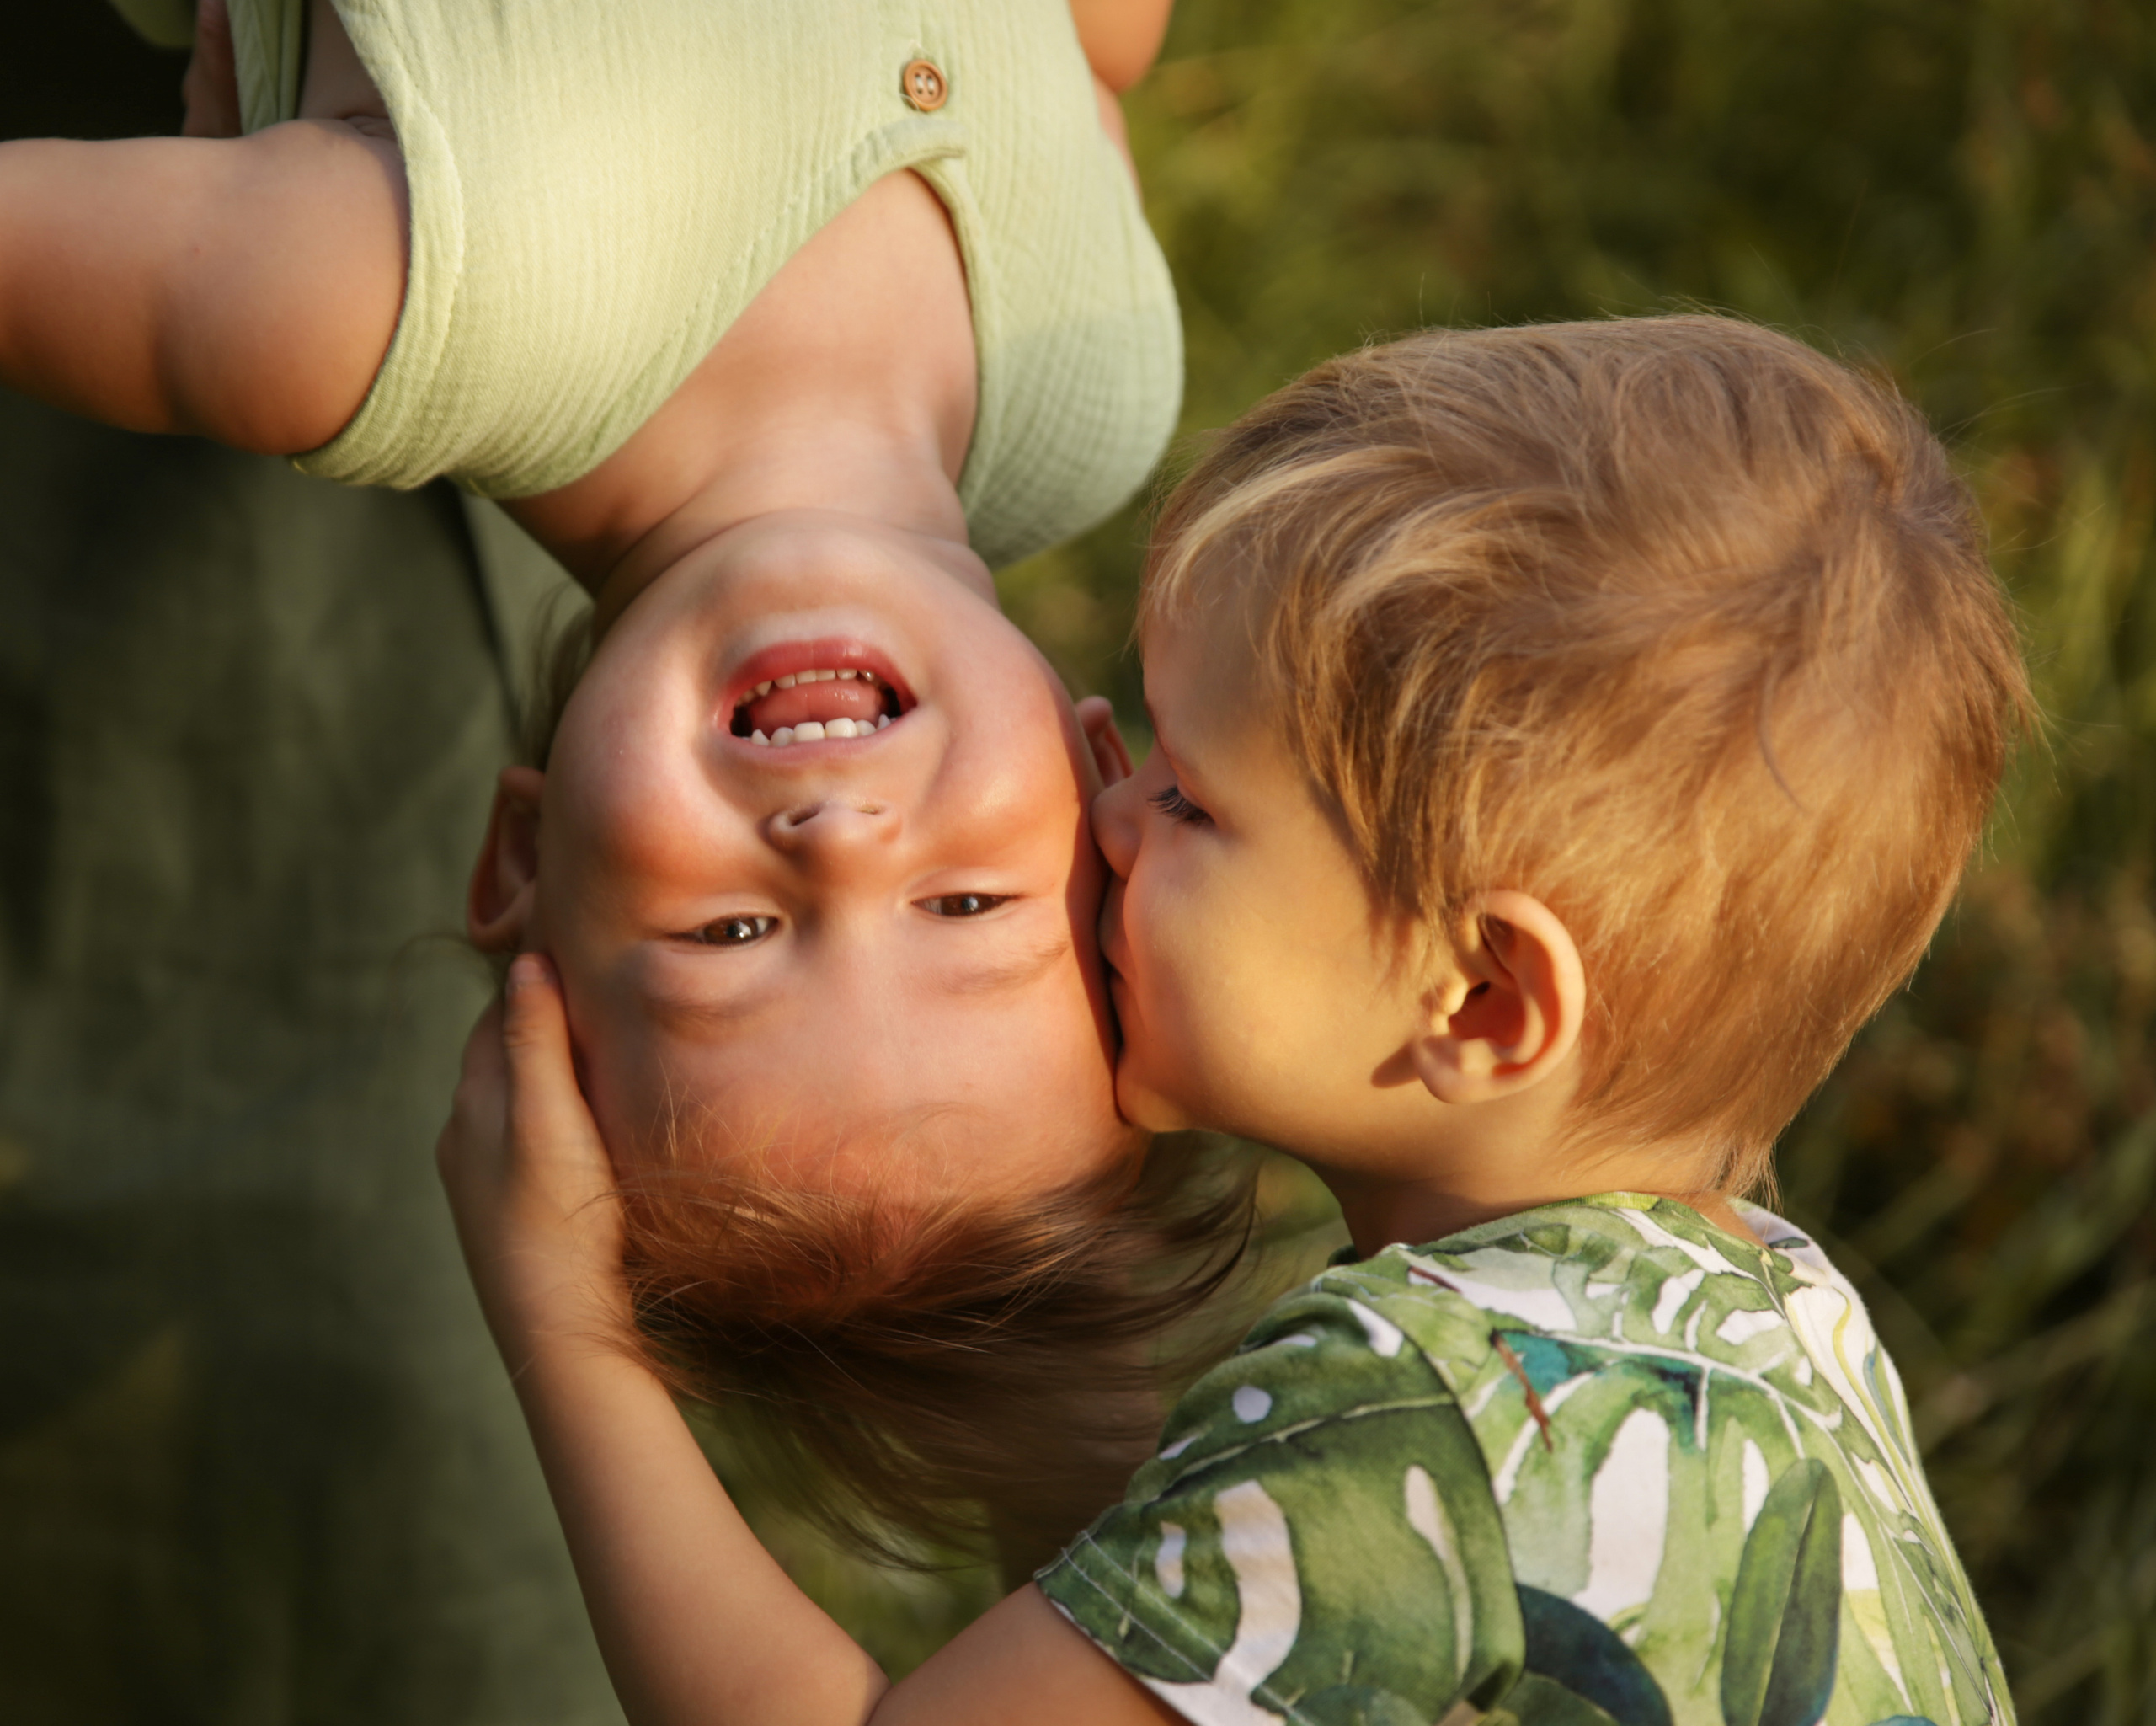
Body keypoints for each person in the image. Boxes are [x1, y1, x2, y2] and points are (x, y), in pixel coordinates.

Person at [435, 313, 2029, 1723]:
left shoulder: (1427, 1408)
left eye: (1191, 801)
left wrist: (566, 1332)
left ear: (1480, 996)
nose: (1114, 813)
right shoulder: (1768, 1328)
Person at [20, 0, 1216, 1560]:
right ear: (1111, 780)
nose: (838, 843)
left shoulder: (373, 311)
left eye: (731, 937)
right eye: (966, 904)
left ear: (524, 863)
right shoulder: (1095, 387)